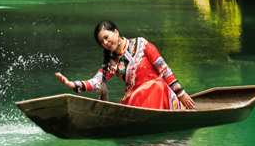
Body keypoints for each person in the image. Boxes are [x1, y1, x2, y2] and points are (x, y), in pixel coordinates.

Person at [55, 20, 196, 110]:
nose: (105, 43)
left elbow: (164, 69)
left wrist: (181, 94)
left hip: (159, 94)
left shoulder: (142, 44)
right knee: (142, 91)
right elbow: (96, 82)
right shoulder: (112, 63)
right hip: (136, 100)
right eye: (101, 42)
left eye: (106, 37)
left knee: (156, 85)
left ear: (116, 32)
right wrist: (72, 84)